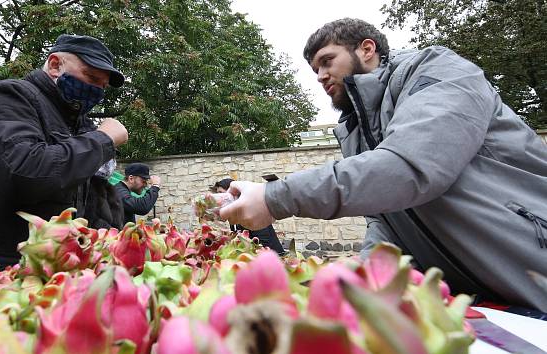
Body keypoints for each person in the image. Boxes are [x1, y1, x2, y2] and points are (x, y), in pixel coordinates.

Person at [220, 18, 547, 311]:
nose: (320, 76)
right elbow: (386, 224)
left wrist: (274, 198)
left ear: (366, 49)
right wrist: (364, 273)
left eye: (327, 61)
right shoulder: (354, 133)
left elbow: (407, 168)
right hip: (489, 304)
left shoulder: (438, 70)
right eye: (314, 69)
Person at [0, 34, 129, 279]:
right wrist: (103, 139)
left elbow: (83, 198)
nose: (96, 91)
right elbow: (26, 174)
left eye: (102, 87)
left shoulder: (79, 125)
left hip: (35, 271)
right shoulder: (10, 96)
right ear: (54, 64)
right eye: (91, 78)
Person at [213, 178, 285, 255]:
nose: (218, 199)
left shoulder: (251, 211)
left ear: (232, 193)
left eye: (220, 193)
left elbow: (263, 242)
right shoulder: (233, 216)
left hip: (274, 258)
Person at [83, 159, 124, 230]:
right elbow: (91, 220)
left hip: (112, 237)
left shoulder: (108, 187)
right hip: (100, 237)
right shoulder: (88, 187)